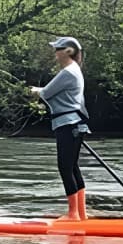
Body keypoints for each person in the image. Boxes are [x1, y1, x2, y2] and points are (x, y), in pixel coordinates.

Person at [30, 36, 89, 221]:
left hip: (68, 124)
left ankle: (73, 215)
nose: (55, 52)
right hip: (75, 124)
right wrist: (39, 90)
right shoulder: (74, 70)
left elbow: (47, 92)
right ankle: (81, 214)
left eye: (58, 49)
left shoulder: (68, 72)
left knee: (65, 167)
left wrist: (34, 92)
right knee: (73, 167)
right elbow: (50, 90)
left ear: (69, 51)